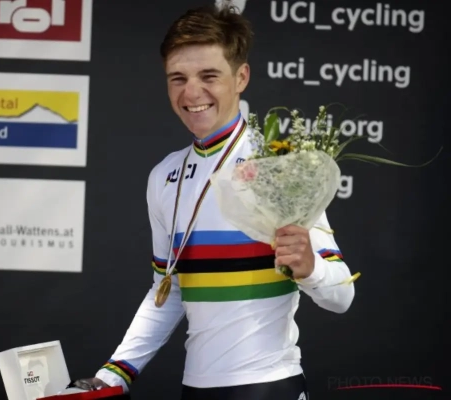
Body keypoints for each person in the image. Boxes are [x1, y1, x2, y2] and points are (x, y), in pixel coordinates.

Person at [72, 4, 356, 399]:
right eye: (178, 78)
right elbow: (167, 290)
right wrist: (115, 374)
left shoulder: (280, 164)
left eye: (209, 76)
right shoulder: (164, 176)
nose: (191, 93)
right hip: (195, 389)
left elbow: (342, 296)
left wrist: (310, 268)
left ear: (241, 77)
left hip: (270, 387)